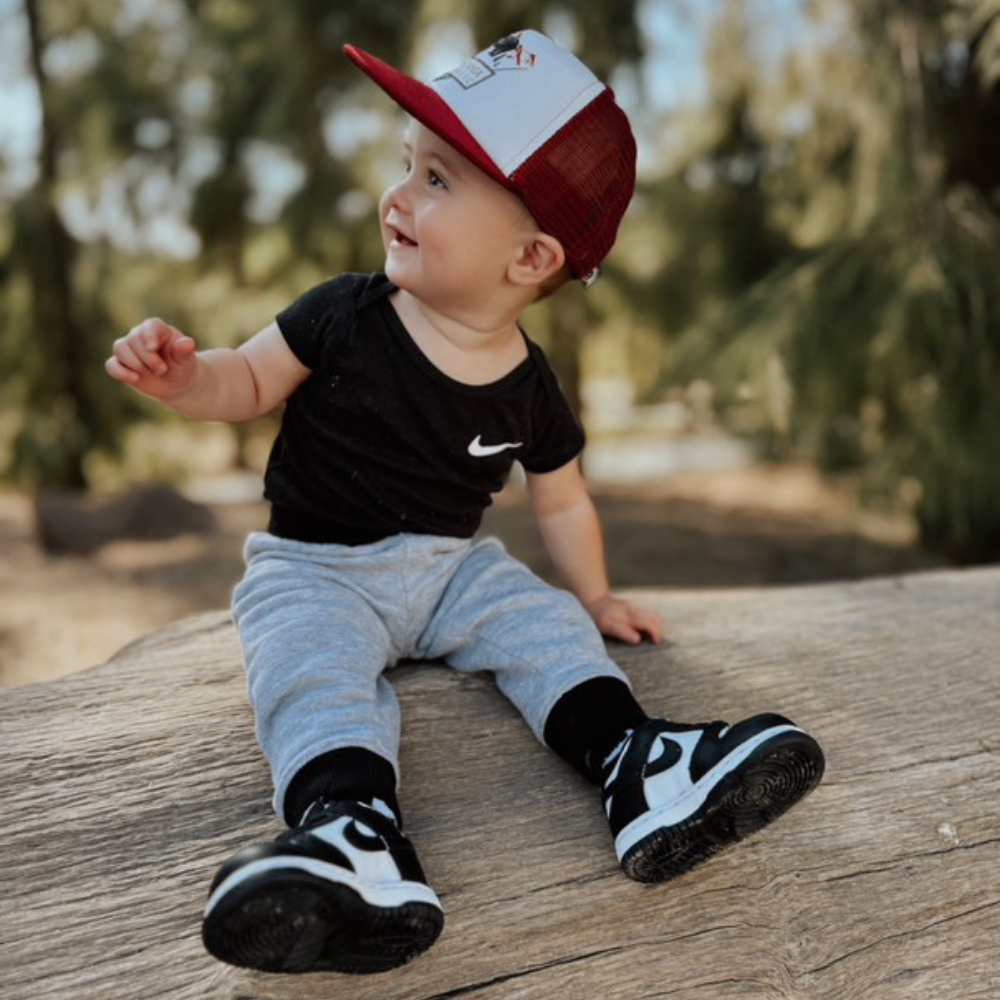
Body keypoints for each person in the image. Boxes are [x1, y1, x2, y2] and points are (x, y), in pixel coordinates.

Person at [105, 29, 825, 977]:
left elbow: (562, 503)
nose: (397, 194)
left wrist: (596, 598)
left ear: (530, 258)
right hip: (317, 564)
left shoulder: (530, 386)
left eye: (438, 180)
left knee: (543, 623)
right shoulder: (344, 311)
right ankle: (353, 835)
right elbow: (243, 381)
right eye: (406, 164)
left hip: (449, 567)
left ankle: (638, 767)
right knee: (307, 668)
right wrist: (183, 376)